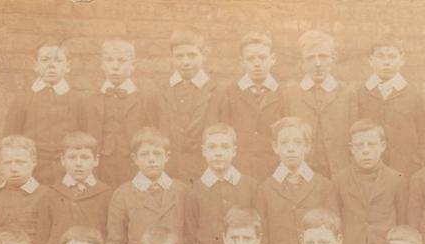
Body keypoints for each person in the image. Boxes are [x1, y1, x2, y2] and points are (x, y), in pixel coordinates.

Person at [106, 127, 189, 244]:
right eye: (144, 154)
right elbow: (115, 243)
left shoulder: (182, 191)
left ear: (167, 156)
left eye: (157, 153)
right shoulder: (123, 194)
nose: (151, 159)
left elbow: (191, 238)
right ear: (134, 158)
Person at [255, 117, 338, 244]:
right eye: (284, 143)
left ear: (307, 146)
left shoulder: (324, 186)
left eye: (298, 142)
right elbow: (262, 239)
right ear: (275, 147)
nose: (291, 148)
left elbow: (333, 232)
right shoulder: (265, 189)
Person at [333, 119, 407, 244]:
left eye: (372, 144)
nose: (365, 151)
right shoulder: (339, 180)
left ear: (382, 146)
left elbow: (402, 224)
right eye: (359, 145)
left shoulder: (396, 178)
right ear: (351, 149)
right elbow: (335, 223)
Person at [184, 123, 258, 244]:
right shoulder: (194, 190)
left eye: (224, 147)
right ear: (203, 151)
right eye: (212, 147)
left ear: (234, 151)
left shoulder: (250, 186)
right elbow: (190, 237)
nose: (218, 153)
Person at [36, 132, 112, 244]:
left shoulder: (107, 194)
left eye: (84, 157)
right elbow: (41, 236)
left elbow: (111, 235)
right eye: (72, 157)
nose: (78, 163)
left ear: (96, 160)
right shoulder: (50, 194)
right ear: (63, 160)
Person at [3, 42, 82, 184]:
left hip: (68, 171)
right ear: (35, 65)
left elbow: (86, 140)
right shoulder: (23, 99)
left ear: (68, 66)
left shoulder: (79, 99)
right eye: (45, 60)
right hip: (33, 172)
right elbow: (10, 140)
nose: (51, 66)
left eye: (58, 60)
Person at [151, 28, 223, 181]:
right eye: (179, 56)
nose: (185, 62)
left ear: (204, 55)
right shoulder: (160, 92)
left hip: (206, 173)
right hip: (169, 173)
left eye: (192, 55)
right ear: (171, 58)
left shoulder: (218, 92)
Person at [285, 29, 356, 177]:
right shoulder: (291, 94)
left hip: (339, 173)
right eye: (310, 58)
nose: (318, 63)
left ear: (333, 59)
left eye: (323, 57)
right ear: (302, 62)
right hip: (302, 174)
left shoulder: (347, 93)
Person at [83, 39, 151, 187]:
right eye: (109, 60)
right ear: (102, 64)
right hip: (100, 164)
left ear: (133, 65)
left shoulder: (145, 99)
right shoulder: (90, 99)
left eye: (122, 60)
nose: (115, 66)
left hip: (132, 165)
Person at [356, 34, 425, 176]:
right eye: (380, 56)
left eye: (392, 57)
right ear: (371, 60)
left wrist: (417, 162)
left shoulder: (413, 95)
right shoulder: (360, 93)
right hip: (370, 169)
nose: (386, 62)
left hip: (405, 168)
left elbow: (422, 136)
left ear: (402, 60)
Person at [221, 32, 287, 181]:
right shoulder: (230, 93)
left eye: (262, 57)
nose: (257, 63)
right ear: (241, 61)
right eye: (250, 59)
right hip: (240, 171)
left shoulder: (284, 93)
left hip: (274, 170)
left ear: (273, 59)